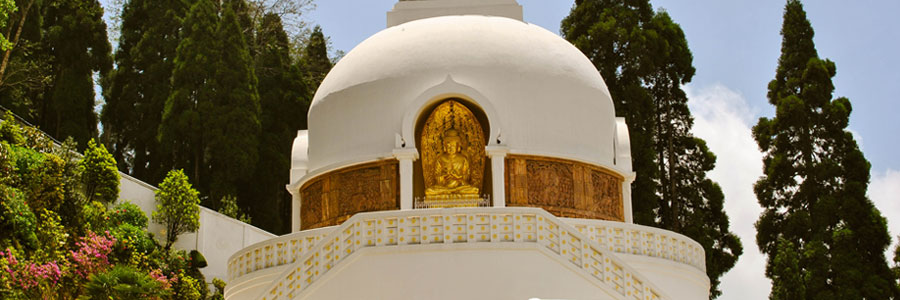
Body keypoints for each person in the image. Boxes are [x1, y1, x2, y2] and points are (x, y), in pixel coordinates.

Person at [425, 129, 479, 196]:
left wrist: (458, 177)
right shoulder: (440, 159)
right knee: (429, 191)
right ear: (444, 147)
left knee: (474, 190)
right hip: (444, 187)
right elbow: (437, 176)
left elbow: (467, 176)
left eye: (453, 146)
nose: (451, 148)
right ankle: (451, 191)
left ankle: (451, 191)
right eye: (448, 146)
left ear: (458, 146)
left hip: (459, 186)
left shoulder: (463, 159)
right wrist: (445, 176)